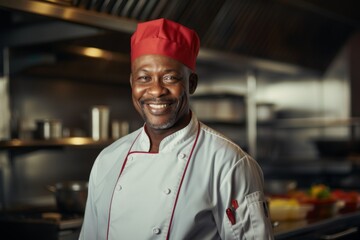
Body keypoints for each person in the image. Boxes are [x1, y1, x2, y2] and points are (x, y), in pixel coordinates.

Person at [79, 18, 274, 240]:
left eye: (170, 78)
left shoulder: (228, 162)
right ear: (132, 83)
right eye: (145, 78)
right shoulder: (108, 159)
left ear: (191, 83)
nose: (156, 91)